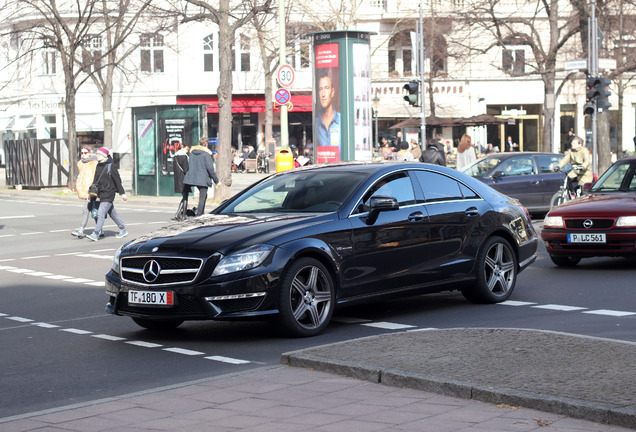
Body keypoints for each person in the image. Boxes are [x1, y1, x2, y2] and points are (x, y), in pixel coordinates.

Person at [86, 147, 128, 241]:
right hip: (101, 193)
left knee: (101, 212)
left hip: (109, 193)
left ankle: (96, 233)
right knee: (113, 213)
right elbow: (95, 181)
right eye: (97, 154)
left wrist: (123, 194)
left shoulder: (111, 166)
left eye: (100, 154)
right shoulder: (98, 165)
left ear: (104, 156)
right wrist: (90, 194)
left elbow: (117, 181)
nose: (98, 156)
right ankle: (123, 229)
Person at [183, 136, 219, 216]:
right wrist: (217, 181)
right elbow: (210, 169)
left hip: (191, 177)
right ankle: (200, 214)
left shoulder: (192, 153)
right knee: (202, 197)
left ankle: (183, 212)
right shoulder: (206, 154)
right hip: (202, 179)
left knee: (185, 194)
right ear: (206, 144)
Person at [71, 146, 99, 239]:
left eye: (85, 153)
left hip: (92, 190)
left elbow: (94, 178)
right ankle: (100, 229)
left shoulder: (94, 163)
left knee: (85, 209)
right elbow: (81, 176)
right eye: (82, 153)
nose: (83, 155)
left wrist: (91, 192)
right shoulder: (80, 163)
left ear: (90, 153)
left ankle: (81, 230)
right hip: (84, 190)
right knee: (93, 210)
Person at [315, 70, 340, 147]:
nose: (323, 94)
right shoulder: (316, 123)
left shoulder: (342, 122)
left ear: (332, 92)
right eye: (320, 89)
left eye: (326, 88)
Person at [173, 142, 190, 221]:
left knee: (184, 196)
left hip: (177, 179)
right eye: (187, 149)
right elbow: (186, 170)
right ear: (183, 148)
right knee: (185, 197)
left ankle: (178, 213)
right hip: (184, 179)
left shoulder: (175, 156)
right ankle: (183, 215)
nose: (187, 151)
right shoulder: (184, 157)